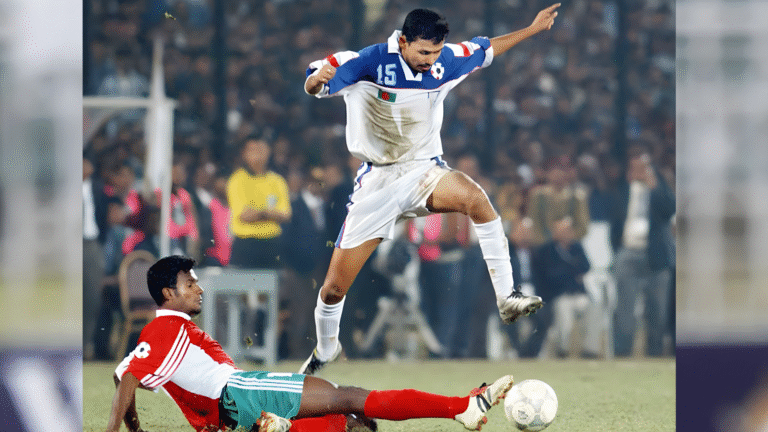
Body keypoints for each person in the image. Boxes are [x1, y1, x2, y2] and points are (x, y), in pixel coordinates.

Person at [299, 4, 560, 374]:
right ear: (403, 41)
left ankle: (507, 296)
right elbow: (315, 83)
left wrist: (532, 30)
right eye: (423, 51)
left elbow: (486, 49)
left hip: (423, 170)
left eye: (436, 52)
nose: (430, 60)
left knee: (475, 198)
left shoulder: (445, 61)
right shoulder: (364, 63)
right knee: (333, 291)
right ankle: (326, 349)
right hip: (377, 182)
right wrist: (315, 80)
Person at [105, 255, 516, 432]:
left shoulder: (159, 333)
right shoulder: (165, 329)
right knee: (349, 398)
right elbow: (128, 381)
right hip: (241, 393)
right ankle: (463, 407)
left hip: (228, 412)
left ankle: (273, 428)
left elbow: (124, 375)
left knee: (351, 426)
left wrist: (134, 427)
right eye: (189, 284)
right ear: (167, 296)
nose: (198, 289)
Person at [609, 144, 675, 357]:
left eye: (643, 166)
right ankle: (622, 353)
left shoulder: (659, 187)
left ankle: (654, 354)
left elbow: (669, 209)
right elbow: (615, 221)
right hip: (628, 252)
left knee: (657, 309)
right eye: (635, 167)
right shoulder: (622, 190)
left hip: (655, 255)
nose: (639, 171)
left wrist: (654, 186)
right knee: (625, 308)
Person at [226, 135, 291, 269]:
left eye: (261, 150)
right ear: (244, 154)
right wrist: (269, 213)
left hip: (271, 244)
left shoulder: (277, 181)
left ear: (268, 151)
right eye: (252, 150)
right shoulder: (237, 180)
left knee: (270, 287)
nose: (257, 155)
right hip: (245, 244)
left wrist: (258, 213)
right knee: (243, 288)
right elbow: (244, 216)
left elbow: (286, 215)